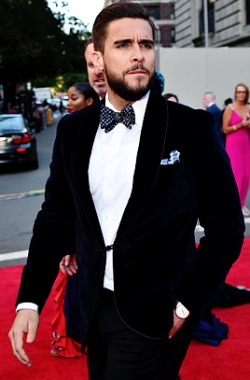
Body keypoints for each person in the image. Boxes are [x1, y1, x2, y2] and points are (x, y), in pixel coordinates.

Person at [9, 4, 244, 380]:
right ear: (98, 59)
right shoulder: (73, 130)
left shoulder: (191, 127)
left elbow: (227, 227)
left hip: (158, 306)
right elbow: (55, 217)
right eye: (123, 44)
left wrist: (185, 304)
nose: (138, 53)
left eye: (146, 44)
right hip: (92, 303)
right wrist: (29, 300)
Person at [50, 82, 99, 358]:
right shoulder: (67, 128)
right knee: (73, 286)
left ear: (89, 101)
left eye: (73, 98)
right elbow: (61, 190)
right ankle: (72, 337)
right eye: (68, 98)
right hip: (78, 226)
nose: (68, 103)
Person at [223, 83, 250, 216]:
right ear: (235, 93)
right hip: (233, 142)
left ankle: (242, 203)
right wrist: (241, 124)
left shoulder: (249, 108)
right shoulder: (230, 108)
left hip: (245, 142)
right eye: (239, 92)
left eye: (243, 92)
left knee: (247, 174)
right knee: (236, 174)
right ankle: (233, 204)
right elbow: (225, 129)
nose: (241, 94)